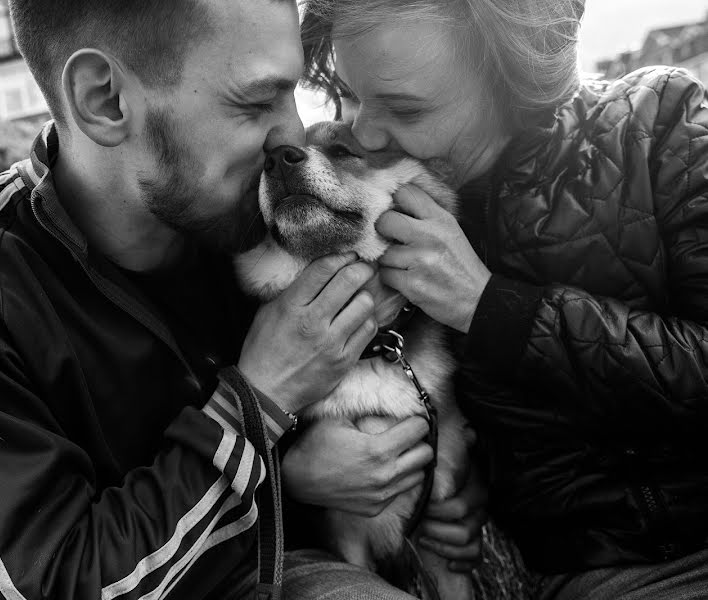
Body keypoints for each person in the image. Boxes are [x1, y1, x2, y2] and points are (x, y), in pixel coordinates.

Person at [0, 0, 479, 598]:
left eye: (293, 96)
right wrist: (259, 405)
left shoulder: (258, 229)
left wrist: (409, 484)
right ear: (104, 99)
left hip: (284, 566)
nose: (289, 137)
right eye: (256, 101)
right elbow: (42, 582)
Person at [301, 0, 708, 597]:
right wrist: (448, 485)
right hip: (601, 573)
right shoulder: (373, 206)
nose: (363, 134)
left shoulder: (661, 120)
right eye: (351, 94)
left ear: (512, 83)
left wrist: (492, 309)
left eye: (406, 108)